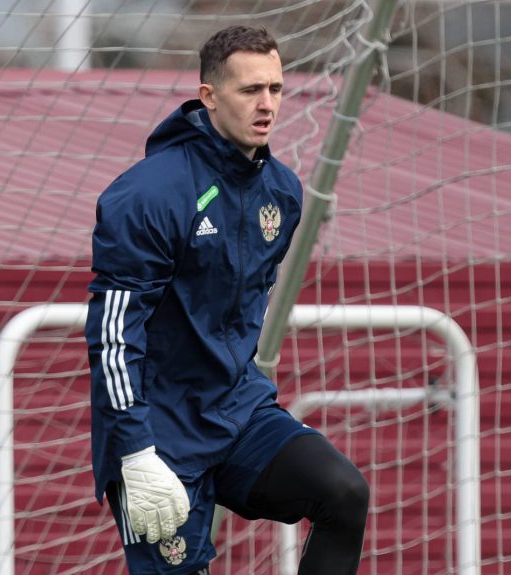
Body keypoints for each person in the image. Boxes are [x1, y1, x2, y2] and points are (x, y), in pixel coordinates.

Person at [85, 25, 369, 574]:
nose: (267, 104)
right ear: (209, 96)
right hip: (159, 435)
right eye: (249, 90)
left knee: (343, 492)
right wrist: (135, 451)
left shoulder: (282, 192)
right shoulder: (148, 195)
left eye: (275, 88)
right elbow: (113, 337)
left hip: (239, 414)